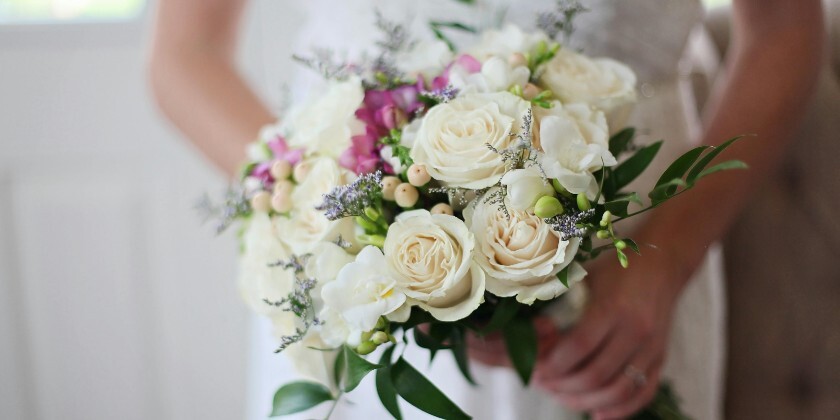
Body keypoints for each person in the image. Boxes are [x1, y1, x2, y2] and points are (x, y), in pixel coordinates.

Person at [148, 0, 824, 419]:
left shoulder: (653, 265)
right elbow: (186, 52)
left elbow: (786, 29)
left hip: (637, 252)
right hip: (363, 267)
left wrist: (665, 262)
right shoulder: (356, 241)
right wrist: (348, 228)